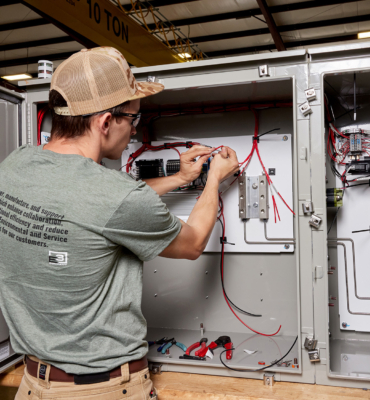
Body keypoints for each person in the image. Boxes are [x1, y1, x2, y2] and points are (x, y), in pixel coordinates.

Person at [0, 47, 239, 400]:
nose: (135, 131)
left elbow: (94, 208)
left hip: (34, 384)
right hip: (103, 389)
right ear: (105, 122)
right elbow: (192, 243)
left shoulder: (14, 166)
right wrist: (214, 178)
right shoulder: (116, 195)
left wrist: (179, 177)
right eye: (133, 119)